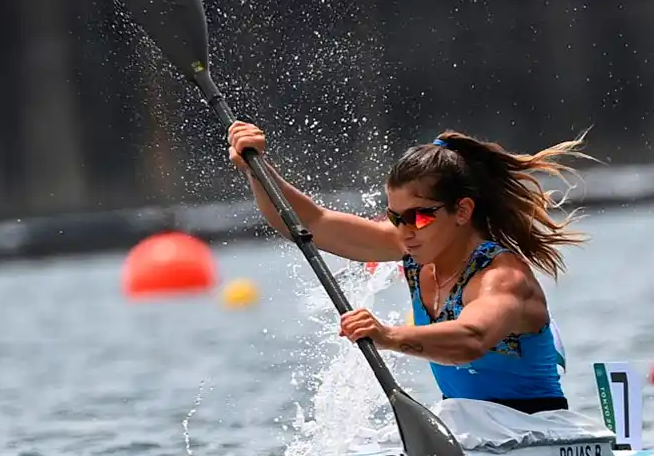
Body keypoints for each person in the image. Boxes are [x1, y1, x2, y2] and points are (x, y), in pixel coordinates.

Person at [227, 120, 593, 415]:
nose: (404, 231)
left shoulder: (503, 277)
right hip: (469, 430)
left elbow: (472, 339)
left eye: (419, 217)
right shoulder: (415, 249)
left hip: (535, 430)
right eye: (395, 217)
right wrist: (257, 169)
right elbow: (312, 222)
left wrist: (388, 336)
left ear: (462, 211)